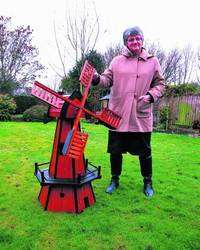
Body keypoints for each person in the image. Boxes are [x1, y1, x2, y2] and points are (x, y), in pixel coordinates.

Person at [92, 26, 165, 197]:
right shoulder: (116, 61)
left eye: (138, 38)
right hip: (118, 114)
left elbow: (160, 84)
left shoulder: (153, 61)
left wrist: (151, 95)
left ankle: (148, 182)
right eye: (131, 39)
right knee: (115, 151)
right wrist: (96, 79)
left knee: (145, 152)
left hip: (141, 115)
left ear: (142, 40)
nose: (135, 42)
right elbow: (106, 79)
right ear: (126, 42)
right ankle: (114, 180)